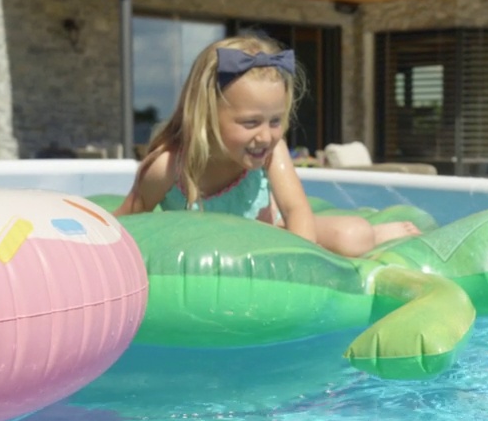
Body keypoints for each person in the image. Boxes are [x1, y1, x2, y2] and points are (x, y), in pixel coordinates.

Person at [115, 32, 419, 257]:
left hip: (267, 238)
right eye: (250, 123)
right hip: (205, 250)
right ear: (206, 115)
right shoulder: (169, 167)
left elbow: (296, 209)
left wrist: (300, 261)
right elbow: (126, 222)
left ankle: (379, 234)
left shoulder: (273, 151)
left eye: (275, 121)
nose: (266, 136)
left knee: (355, 235)